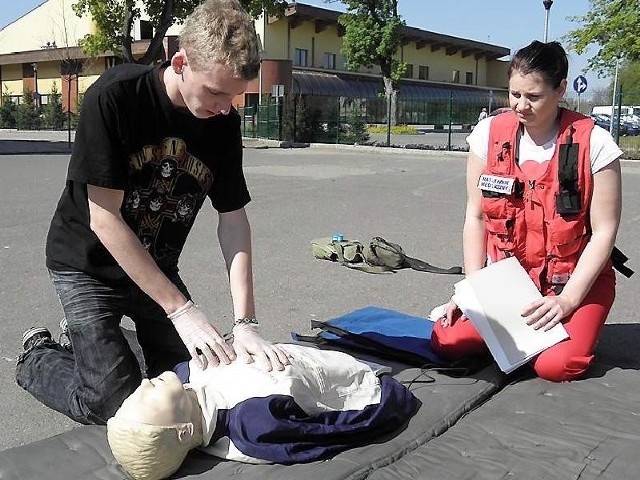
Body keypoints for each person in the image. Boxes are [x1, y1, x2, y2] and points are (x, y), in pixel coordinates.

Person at [15, 0, 289, 426]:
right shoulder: (115, 98)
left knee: (195, 381)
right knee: (115, 403)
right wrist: (182, 311)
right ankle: (38, 355)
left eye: (232, 96)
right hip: (86, 266)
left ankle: (95, 344)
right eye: (215, 92)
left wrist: (246, 323)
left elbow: (233, 220)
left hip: (155, 268)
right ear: (180, 61)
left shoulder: (222, 123)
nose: (223, 107)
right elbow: (103, 217)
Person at [430, 40, 623, 382]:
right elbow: (475, 215)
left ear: (561, 89)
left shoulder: (594, 144)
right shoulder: (489, 134)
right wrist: (475, 291)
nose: (521, 106)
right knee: (448, 340)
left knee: (557, 365)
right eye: (514, 94)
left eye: (533, 97)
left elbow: (604, 232)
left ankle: (551, 335)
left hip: (571, 283)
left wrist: (569, 301)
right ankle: (515, 338)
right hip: (509, 283)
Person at [106, 344, 420, 480]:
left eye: (139, 391)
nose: (146, 381)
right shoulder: (253, 424)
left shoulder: (185, 376)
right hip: (347, 381)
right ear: (183, 431)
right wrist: (389, 401)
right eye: (149, 397)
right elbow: (331, 430)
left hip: (293, 360)